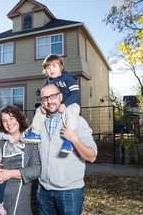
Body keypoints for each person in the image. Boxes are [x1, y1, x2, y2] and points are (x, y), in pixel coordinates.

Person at [37, 83, 97, 215]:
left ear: (61, 97)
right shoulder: (39, 124)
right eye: (45, 98)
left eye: (52, 96)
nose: (49, 101)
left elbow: (92, 156)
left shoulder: (77, 121)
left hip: (70, 191)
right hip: (44, 190)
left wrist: (74, 139)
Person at [21, 54, 80, 154]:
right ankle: (35, 133)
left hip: (71, 103)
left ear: (61, 67)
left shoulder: (67, 77)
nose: (51, 69)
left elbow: (76, 94)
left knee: (71, 112)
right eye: (48, 68)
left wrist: (65, 104)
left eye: (54, 66)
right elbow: (45, 96)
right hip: (56, 104)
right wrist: (43, 105)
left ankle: (69, 140)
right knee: (40, 109)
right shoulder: (48, 81)